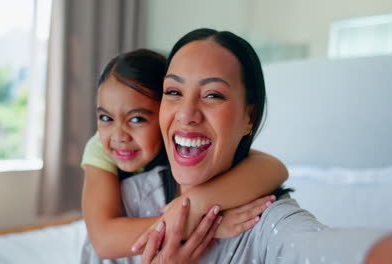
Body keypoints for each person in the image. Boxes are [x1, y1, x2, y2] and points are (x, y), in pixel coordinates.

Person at [128, 28, 392, 263]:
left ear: (249, 117)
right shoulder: (131, 194)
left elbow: (325, 249)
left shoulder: (267, 222)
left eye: (213, 95)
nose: (186, 113)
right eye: (173, 91)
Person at [80, 49, 290, 262]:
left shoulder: (180, 139)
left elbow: (274, 168)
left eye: (136, 120)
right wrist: (197, 224)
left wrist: (199, 203)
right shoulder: (100, 148)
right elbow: (104, 240)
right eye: (105, 117)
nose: (119, 136)